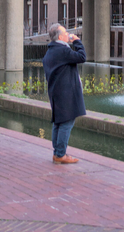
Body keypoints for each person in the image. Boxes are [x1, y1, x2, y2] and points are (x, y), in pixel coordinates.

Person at [43, 23, 86, 164]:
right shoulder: (62, 51)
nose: (68, 34)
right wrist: (77, 41)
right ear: (60, 36)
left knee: (58, 122)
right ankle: (60, 154)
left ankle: (57, 153)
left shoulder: (50, 51)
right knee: (66, 122)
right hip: (66, 93)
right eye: (66, 33)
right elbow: (81, 57)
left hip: (56, 92)